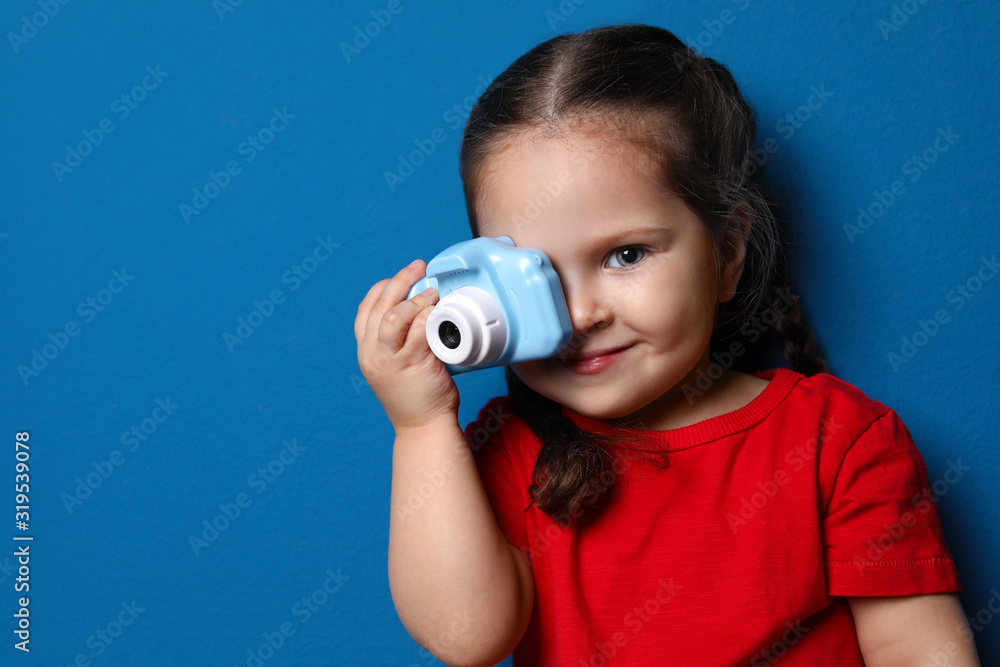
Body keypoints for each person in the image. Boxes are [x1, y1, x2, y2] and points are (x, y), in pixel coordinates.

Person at [355, 23, 979, 666]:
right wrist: (422, 425)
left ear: (727, 252)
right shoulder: (510, 453)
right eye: (534, 276)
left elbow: (916, 647)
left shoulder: (839, 440)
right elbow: (467, 639)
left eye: (626, 255)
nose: (580, 312)